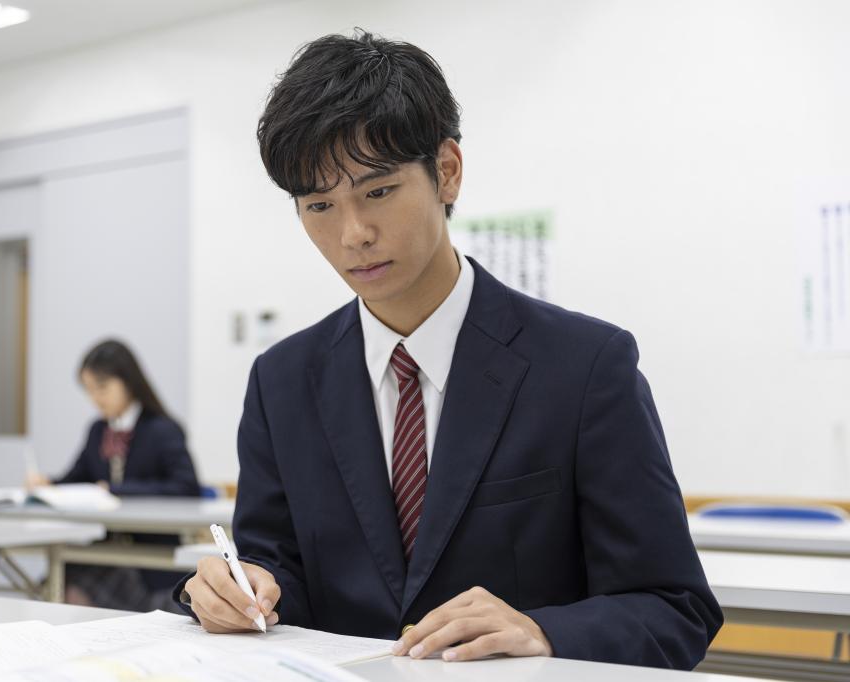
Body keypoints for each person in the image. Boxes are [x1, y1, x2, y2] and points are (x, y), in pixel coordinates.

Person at [175, 30, 722, 669]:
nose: (353, 234)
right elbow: (278, 574)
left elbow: (673, 605)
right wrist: (235, 593)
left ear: (448, 172)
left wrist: (544, 632)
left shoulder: (584, 366)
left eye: (378, 192)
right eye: (319, 205)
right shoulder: (283, 380)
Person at [29, 339, 201, 609]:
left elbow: (186, 487)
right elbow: (78, 477)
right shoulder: (99, 430)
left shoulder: (162, 429)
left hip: (150, 556)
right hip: (107, 551)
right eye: (89, 390)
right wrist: (48, 483)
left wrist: (116, 490)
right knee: (59, 583)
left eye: (102, 388)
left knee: (73, 590)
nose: (96, 398)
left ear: (128, 381)